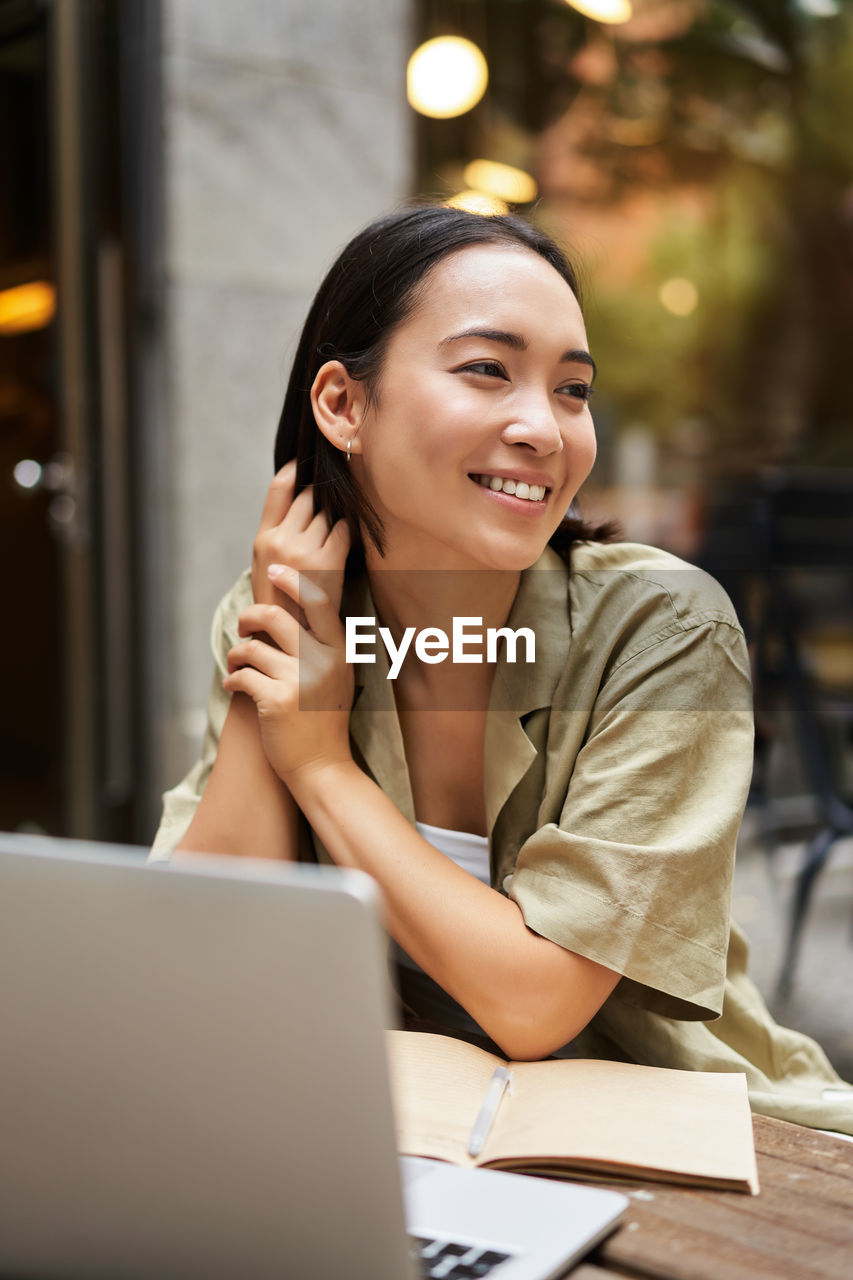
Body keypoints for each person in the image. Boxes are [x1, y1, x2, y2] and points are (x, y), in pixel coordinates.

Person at [152, 204, 853, 1133]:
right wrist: (274, 624)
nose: (545, 429)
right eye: (488, 370)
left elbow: (534, 1004)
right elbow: (199, 960)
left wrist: (319, 763)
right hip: (400, 1138)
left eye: (571, 389)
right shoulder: (287, 616)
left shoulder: (661, 627)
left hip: (686, 1144)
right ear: (342, 405)